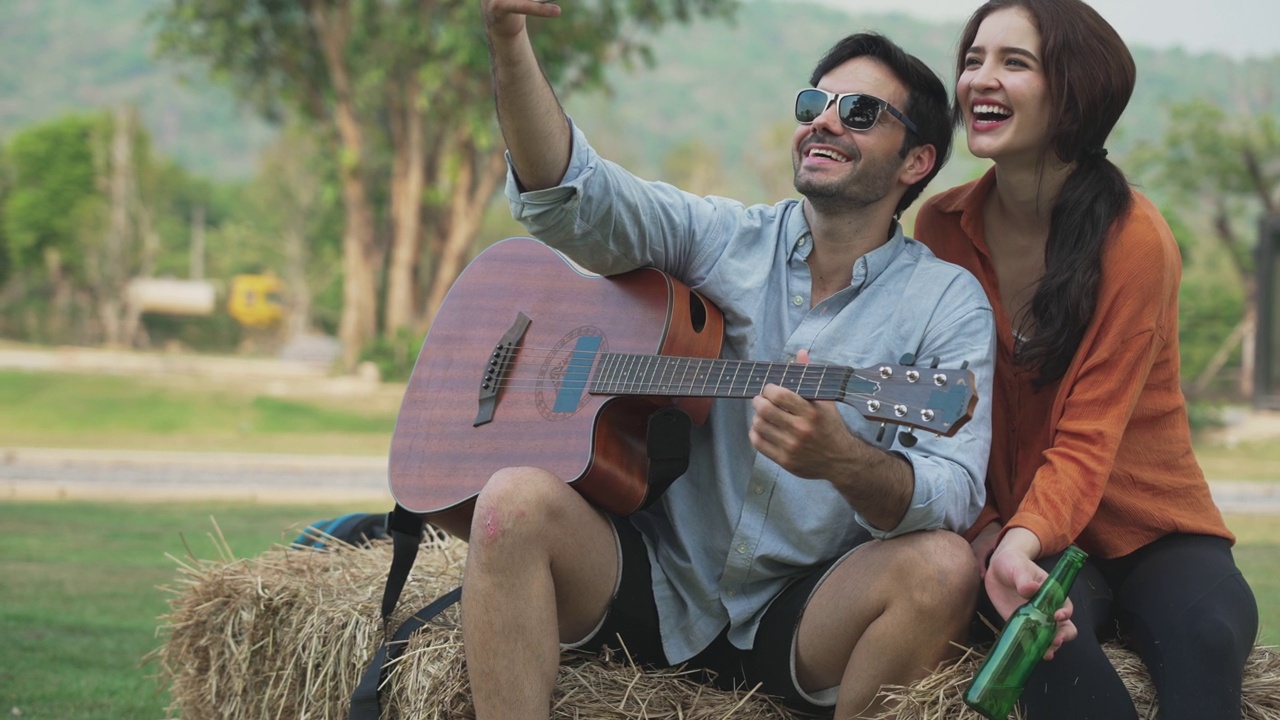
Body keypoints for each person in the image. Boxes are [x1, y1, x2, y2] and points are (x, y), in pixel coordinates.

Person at [452, 1, 999, 717]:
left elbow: (953, 487)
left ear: (917, 161)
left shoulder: (948, 303)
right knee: (508, 503)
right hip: (654, 576)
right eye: (815, 103)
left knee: (942, 568)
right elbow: (572, 197)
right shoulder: (722, 238)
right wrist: (508, 38)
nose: (825, 121)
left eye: (860, 112)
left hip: (804, 613)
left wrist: (845, 462)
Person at [914, 1, 1260, 718]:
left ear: (1075, 91)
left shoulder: (1135, 239)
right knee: (1047, 657)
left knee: (1206, 636)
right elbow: (940, 408)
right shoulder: (940, 228)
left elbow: (1088, 438)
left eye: (1015, 62)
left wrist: (1017, 540)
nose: (981, 78)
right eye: (974, 59)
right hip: (1017, 540)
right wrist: (988, 534)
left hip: (1155, 533)